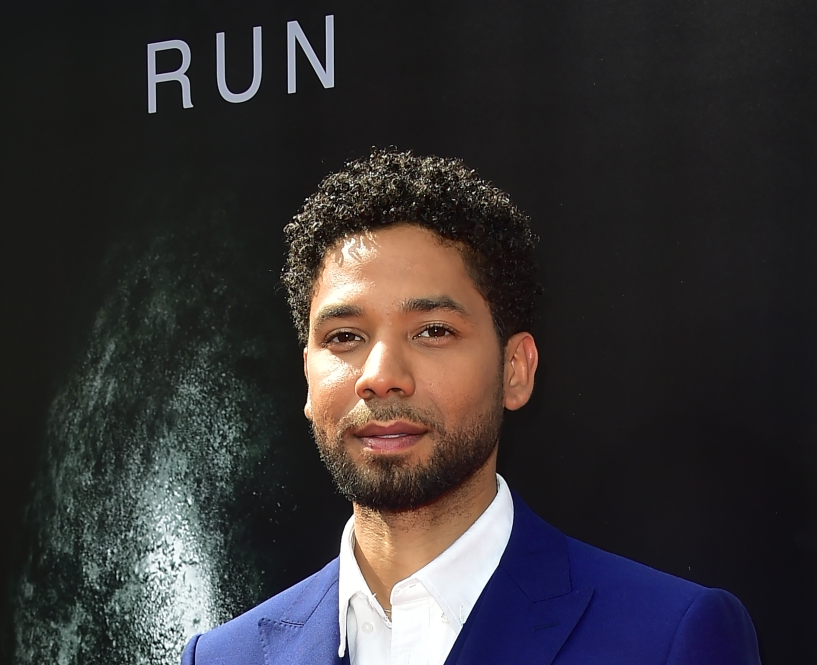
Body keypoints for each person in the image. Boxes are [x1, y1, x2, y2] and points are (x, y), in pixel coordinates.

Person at [180, 149, 761, 664]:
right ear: (307, 377)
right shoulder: (226, 655)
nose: (380, 377)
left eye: (432, 330)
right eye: (344, 338)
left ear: (516, 370)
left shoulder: (667, 639)